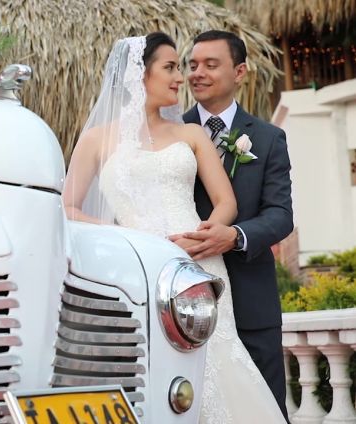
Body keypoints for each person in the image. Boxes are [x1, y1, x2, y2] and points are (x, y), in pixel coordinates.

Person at [62, 32, 287, 422]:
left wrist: (207, 236)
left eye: (193, 67)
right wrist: (127, 240)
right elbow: (66, 207)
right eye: (172, 67)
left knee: (217, 366)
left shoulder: (190, 133)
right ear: (139, 74)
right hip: (136, 269)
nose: (183, 77)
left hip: (199, 265)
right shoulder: (97, 139)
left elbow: (228, 202)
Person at [178, 30, 293, 420]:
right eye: (192, 65)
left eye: (211, 64)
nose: (198, 73)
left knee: (264, 409)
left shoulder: (268, 137)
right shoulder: (169, 136)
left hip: (251, 304)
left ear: (239, 71)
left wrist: (236, 236)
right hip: (182, 299)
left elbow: (280, 214)